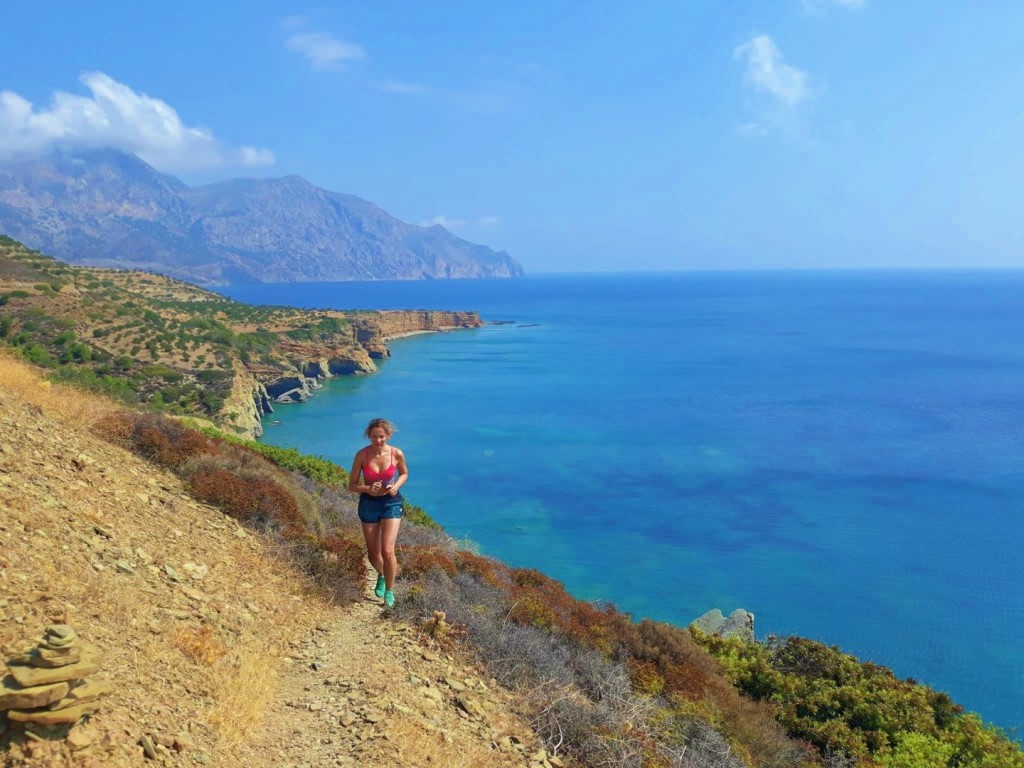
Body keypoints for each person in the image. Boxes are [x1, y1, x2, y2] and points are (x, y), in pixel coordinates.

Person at [348, 418, 408, 608]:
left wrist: (395, 487)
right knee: (373, 554)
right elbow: (351, 485)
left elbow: (404, 473)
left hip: (391, 503)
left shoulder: (396, 453)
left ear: (388, 436)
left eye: (381, 436)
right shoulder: (361, 455)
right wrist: (367, 488)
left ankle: (389, 591)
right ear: (369, 436)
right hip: (369, 504)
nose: (378, 440)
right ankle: (382, 575)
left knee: (387, 550)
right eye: (374, 437)